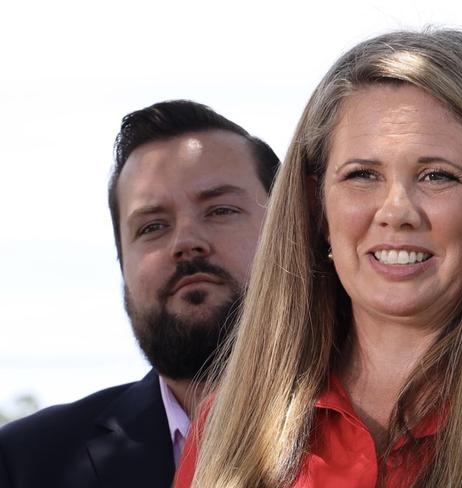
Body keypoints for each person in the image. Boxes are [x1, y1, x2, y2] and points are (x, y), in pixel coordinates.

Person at [174, 30, 462, 488]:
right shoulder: (231, 423)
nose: (396, 210)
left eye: (437, 176)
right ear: (317, 207)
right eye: (362, 175)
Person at [0, 100, 280, 488]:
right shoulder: (26, 464)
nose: (185, 242)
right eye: (152, 227)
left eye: (220, 210)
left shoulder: (385, 430)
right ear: (122, 266)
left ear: (290, 232)